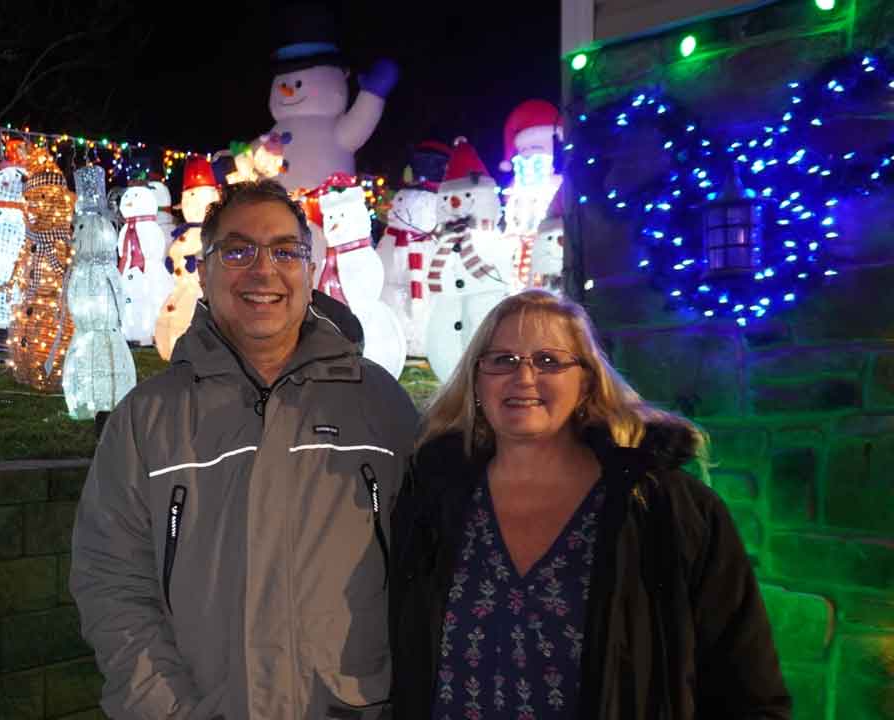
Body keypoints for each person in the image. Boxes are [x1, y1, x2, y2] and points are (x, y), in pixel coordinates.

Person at [71, 179, 419, 719]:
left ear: (308, 271)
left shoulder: (380, 406)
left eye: (285, 251)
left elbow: (427, 573)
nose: (263, 270)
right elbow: (111, 581)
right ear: (203, 273)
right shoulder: (148, 418)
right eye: (237, 251)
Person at [389, 290, 790, 719]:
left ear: (586, 382)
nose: (523, 377)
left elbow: (748, 691)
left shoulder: (664, 509)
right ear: (476, 380)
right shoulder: (432, 501)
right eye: (502, 360)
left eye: (548, 361)